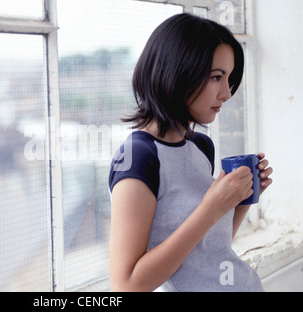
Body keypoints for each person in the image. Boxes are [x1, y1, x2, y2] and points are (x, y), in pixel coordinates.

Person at [108, 13, 273, 292]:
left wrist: (239, 201)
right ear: (177, 72)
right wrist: (212, 207)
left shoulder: (200, 145)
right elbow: (127, 286)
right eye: (216, 77)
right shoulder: (138, 157)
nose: (226, 93)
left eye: (229, 78)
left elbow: (205, 251)